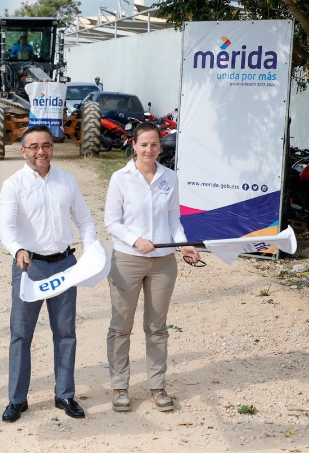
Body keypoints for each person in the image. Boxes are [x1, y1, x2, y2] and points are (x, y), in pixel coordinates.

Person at [0, 125, 96, 423]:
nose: (41, 151)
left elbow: (85, 220)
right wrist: (17, 249)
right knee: (21, 335)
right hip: (30, 266)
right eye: (34, 146)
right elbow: (6, 227)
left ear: (53, 147)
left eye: (46, 145)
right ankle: (17, 399)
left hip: (65, 266)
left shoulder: (67, 180)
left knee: (65, 333)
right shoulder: (13, 184)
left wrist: (90, 249)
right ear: (23, 151)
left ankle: (64, 394)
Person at [104, 122, 200, 413]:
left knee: (157, 327)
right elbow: (111, 222)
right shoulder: (120, 178)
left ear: (160, 146)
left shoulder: (170, 177)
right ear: (133, 145)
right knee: (121, 326)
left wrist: (183, 244)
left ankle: (157, 386)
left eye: (154, 144)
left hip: (163, 262)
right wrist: (136, 240)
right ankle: (120, 387)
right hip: (127, 260)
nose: (149, 150)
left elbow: (173, 220)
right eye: (143, 144)